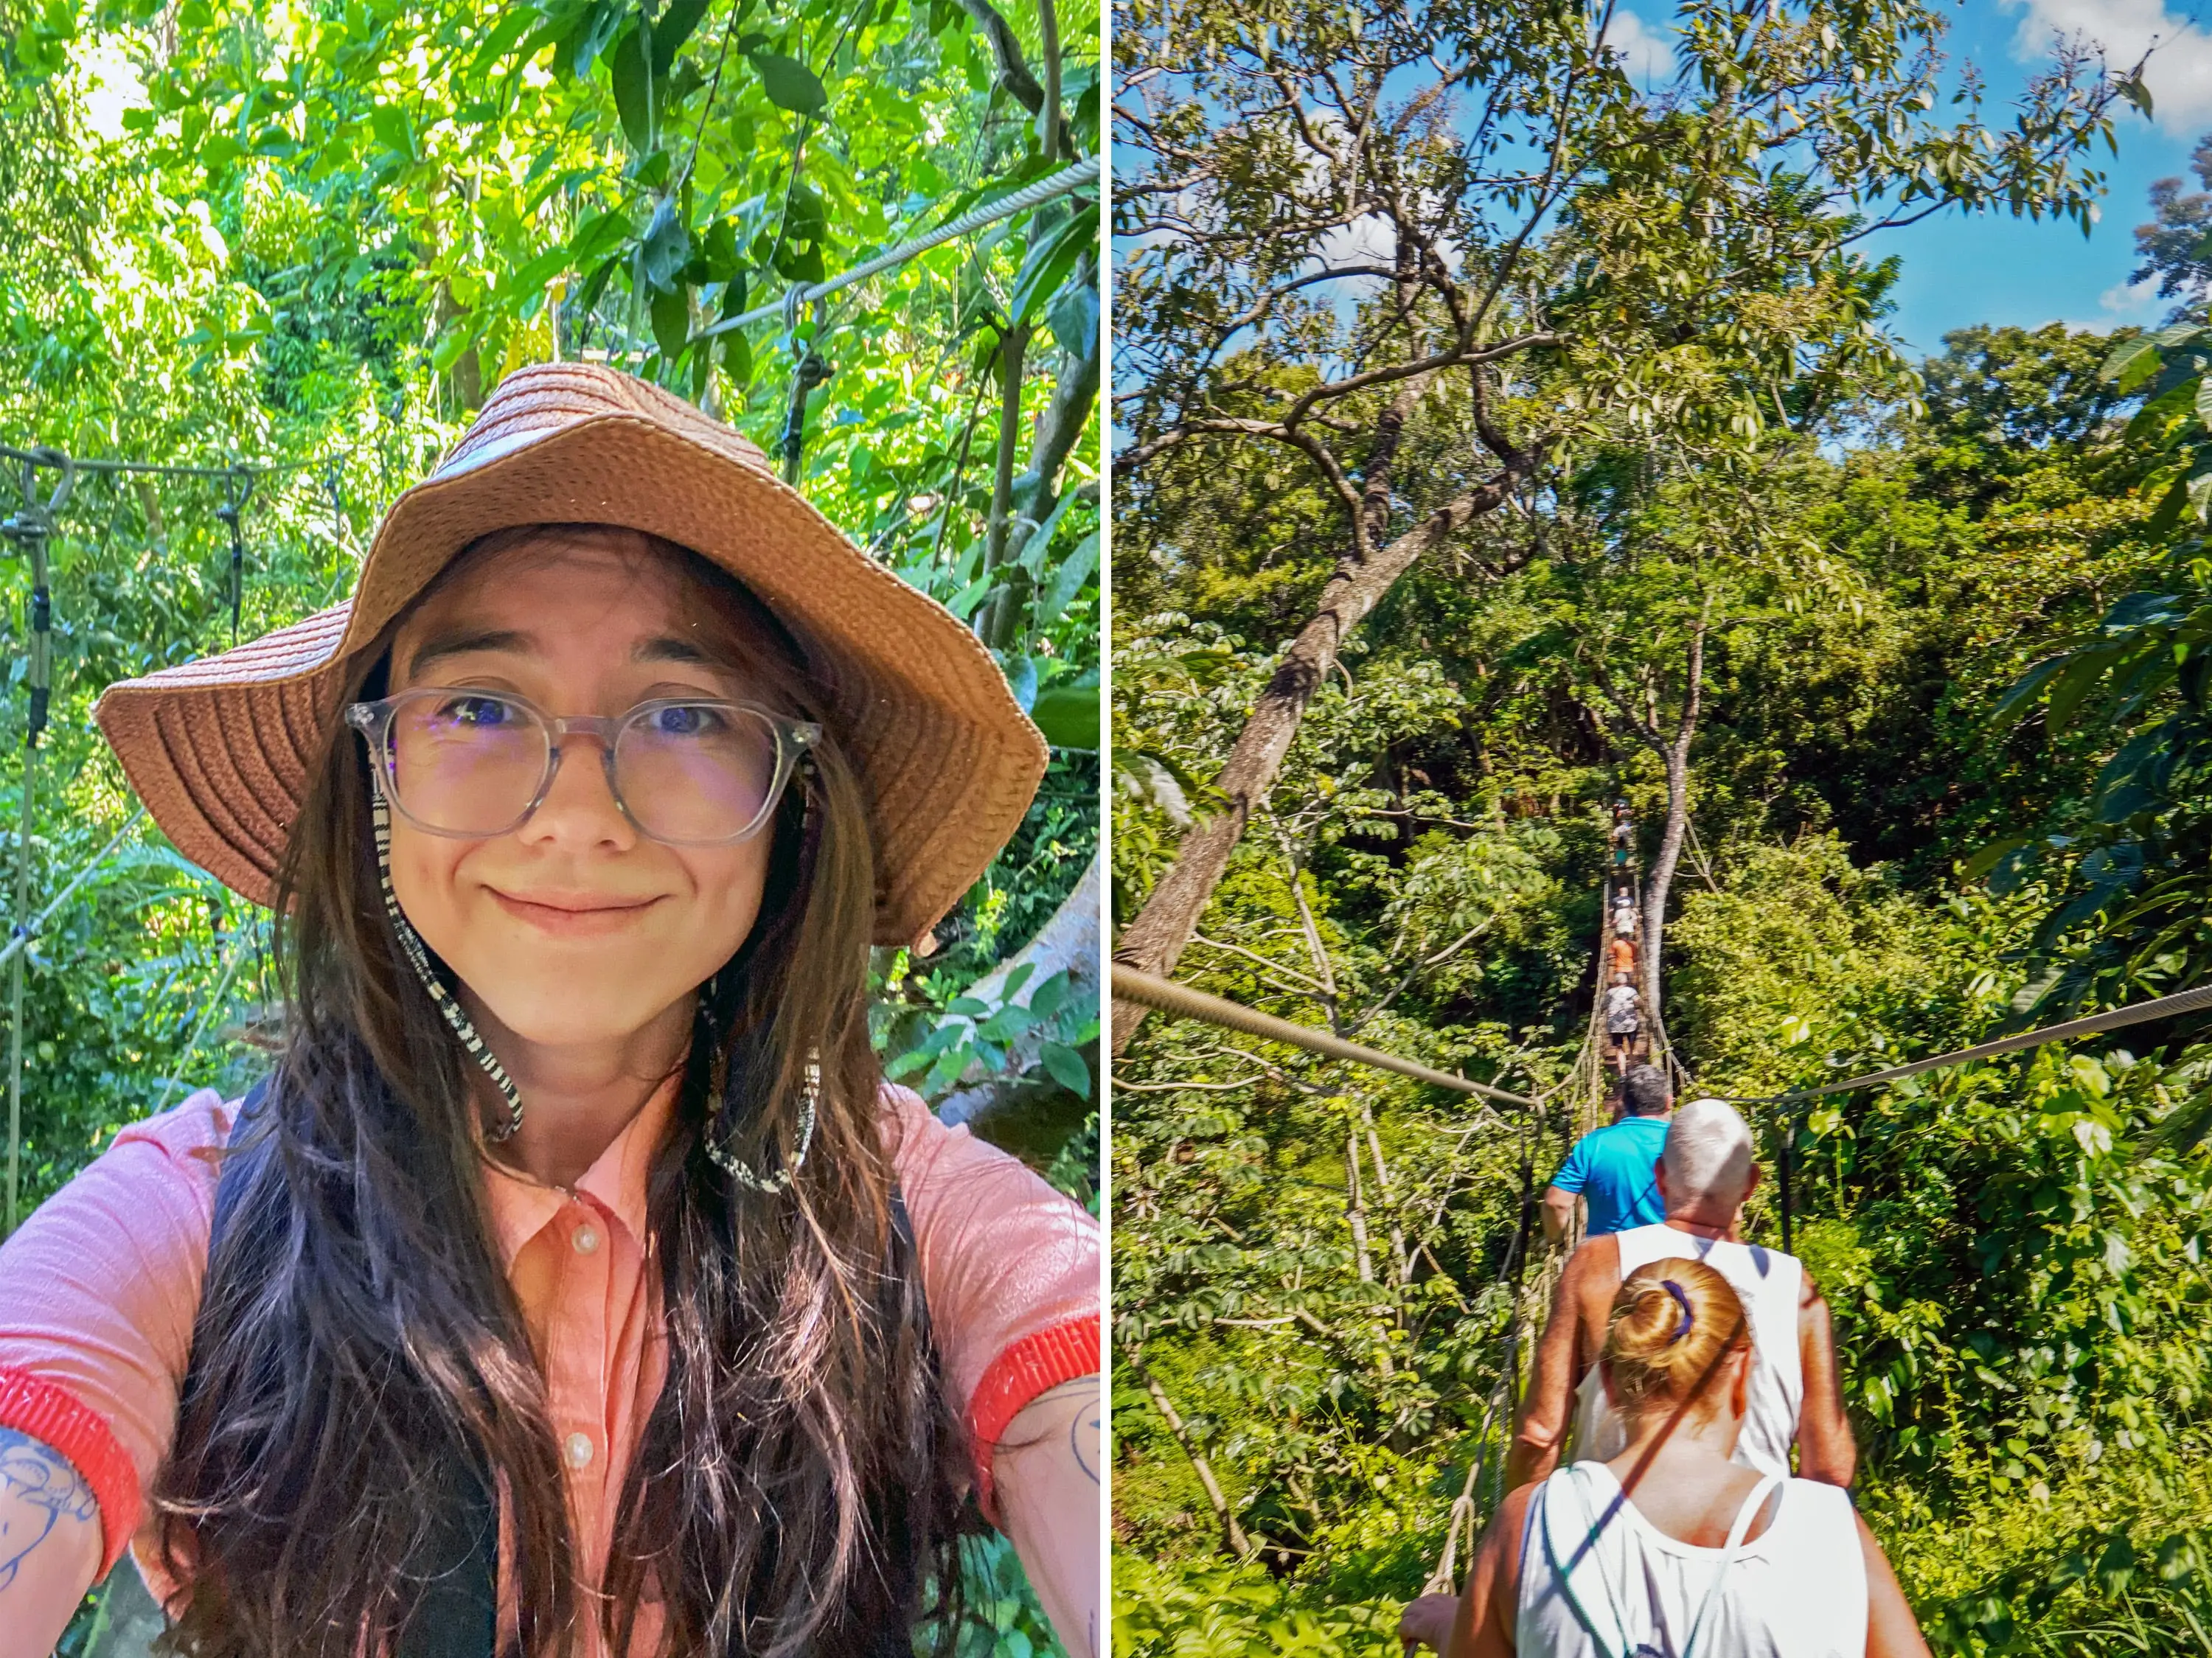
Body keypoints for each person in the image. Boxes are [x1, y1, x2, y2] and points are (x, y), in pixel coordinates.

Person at [0, 364, 1102, 1657]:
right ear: (379, 773)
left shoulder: (903, 1204)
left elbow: (1068, 1347)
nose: (578, 810)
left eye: (684, 712)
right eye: (478, 705)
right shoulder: (198, 1212)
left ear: (796, 797)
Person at [1397, 1261, 1929, 1657]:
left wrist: (1449, 1627)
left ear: (1606, 1379)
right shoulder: (1825, 1526)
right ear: (1743, 1372)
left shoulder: (1526, 1522)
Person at [1512, 1098, 1854, 1494]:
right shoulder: (1795, 1287)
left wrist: (1519, 1531)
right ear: (1751, 1184)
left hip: (1606, 1539)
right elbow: (1829, 1468)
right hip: (1749, 1541)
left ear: (1660, 1177)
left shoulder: (1596, 1264)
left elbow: (1539, 1435)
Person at [1541, 1064, 1672, 1247]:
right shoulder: (1684, 1142)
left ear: (1623, 1103)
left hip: (1606, 1259)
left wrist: (1553, 1238)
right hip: (1670, 1256)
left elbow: (1557, 1203)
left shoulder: (1593, 1144)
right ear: (1669, 1102)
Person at [1603, 976, 1641, 1072]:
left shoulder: (1610, 992)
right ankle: (1632, 1069)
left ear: (1615, 982)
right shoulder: (1631, 991)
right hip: (1630, 1024)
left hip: (1615, 1025)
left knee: (1619, 1049)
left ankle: (1623, 1074)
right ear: (1626, 981)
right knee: (1632, 1047)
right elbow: (1638, 1002)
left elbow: (1603, 1006)